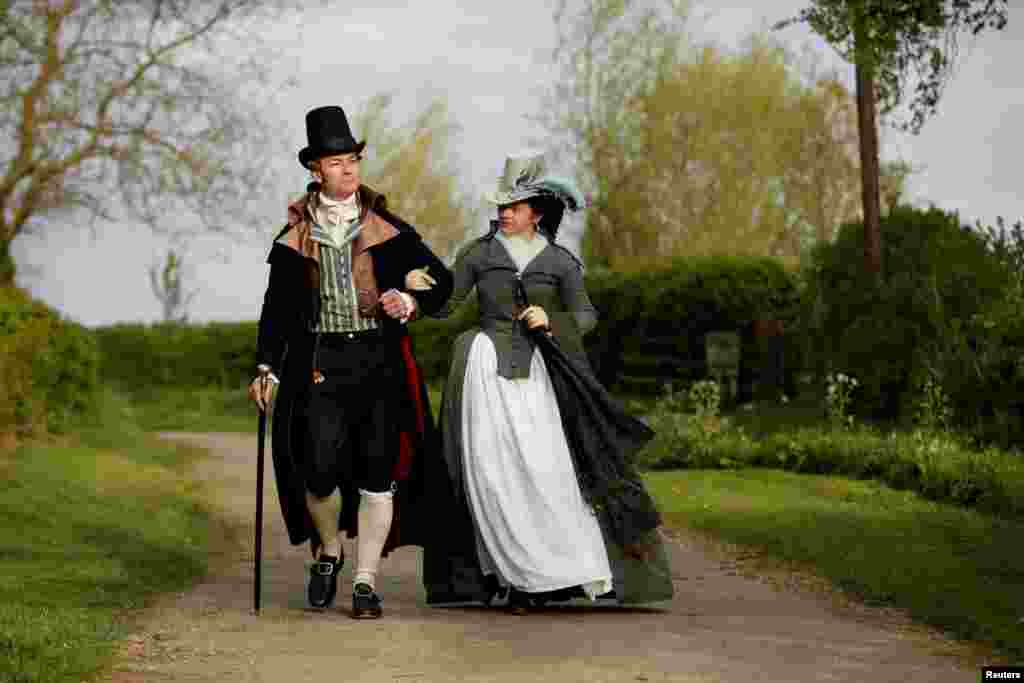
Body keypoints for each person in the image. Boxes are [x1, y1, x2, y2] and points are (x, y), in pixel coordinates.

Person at [416, 151, 674, 613]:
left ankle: (553, 575)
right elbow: (447, 305)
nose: (503, 214)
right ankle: (512, 578)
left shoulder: (560, 262)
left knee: (546, 473)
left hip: (544, 379)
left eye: (513, 207)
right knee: (491, 475)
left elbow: (587, 316)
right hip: (486, 375)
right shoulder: (477, 254)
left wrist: (551, 319)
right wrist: (419, 287)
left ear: (536, 212)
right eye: (501, 207)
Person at [248, 105, 453, 619]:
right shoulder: (293, 237)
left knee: (377, 473)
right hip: (318, 364)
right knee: (317, 472)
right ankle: (329, 553)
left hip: (379, 362)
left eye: (353, 160)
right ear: (315, 169)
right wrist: (266, 367)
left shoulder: (389, 229)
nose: (348, 170)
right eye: (337, 162)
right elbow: (275, 311)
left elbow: (439, 281)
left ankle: (364, 583)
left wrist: (408, 301)